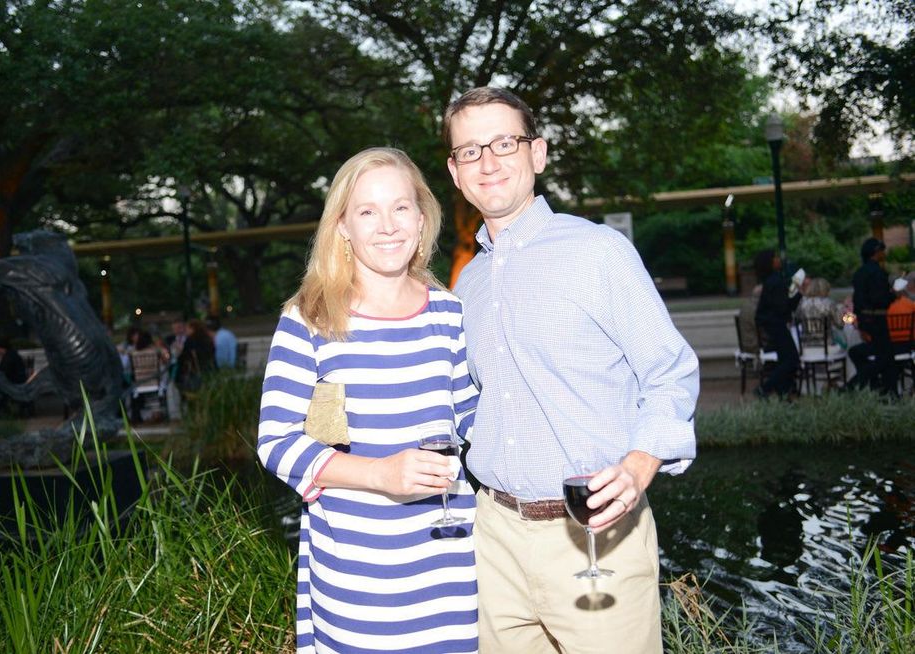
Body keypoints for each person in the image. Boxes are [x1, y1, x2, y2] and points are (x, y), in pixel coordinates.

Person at [444, 87, 698, 653]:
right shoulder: (468, 285)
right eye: (469, 151)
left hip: (594, 537)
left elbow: (670, 371)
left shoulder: (598, 252)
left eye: (504, 142)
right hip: (493, 539)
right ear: (455, 174)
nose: (487, 161)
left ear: (538, 153)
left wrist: (638, 466)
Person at [257, 147, 479, 653]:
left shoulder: (449, 313)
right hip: (358, 578)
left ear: (422, 221)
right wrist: (380, 474)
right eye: (367, 211)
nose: (387, 226)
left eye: (401, 207)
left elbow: (472, 421)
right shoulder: (310, 317)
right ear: (342, 228)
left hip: (449, 571)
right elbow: (276, 442)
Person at [753, 249, 806, 398]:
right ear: (770, 262)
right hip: (776, 325)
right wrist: (798, 293)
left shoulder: (771, 280)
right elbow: (783, 306)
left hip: (772, 324)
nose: (778, 260)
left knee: (785, 358)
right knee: (791, 359)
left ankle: (785, 392)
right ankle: (766, 388)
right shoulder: (775, 281)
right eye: (775, 257)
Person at [846, 238, 895, 394]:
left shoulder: (859, 274)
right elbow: (880, 299)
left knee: (881, 356)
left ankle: (879, 387)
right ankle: (854, 385)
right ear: (876, 252)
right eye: (881, 250)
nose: (883, 253)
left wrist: (860, 323)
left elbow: (857, 301)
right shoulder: (878, 273)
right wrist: (892, 295)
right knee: (886, 357)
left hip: (865, 319)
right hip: (878, 319)